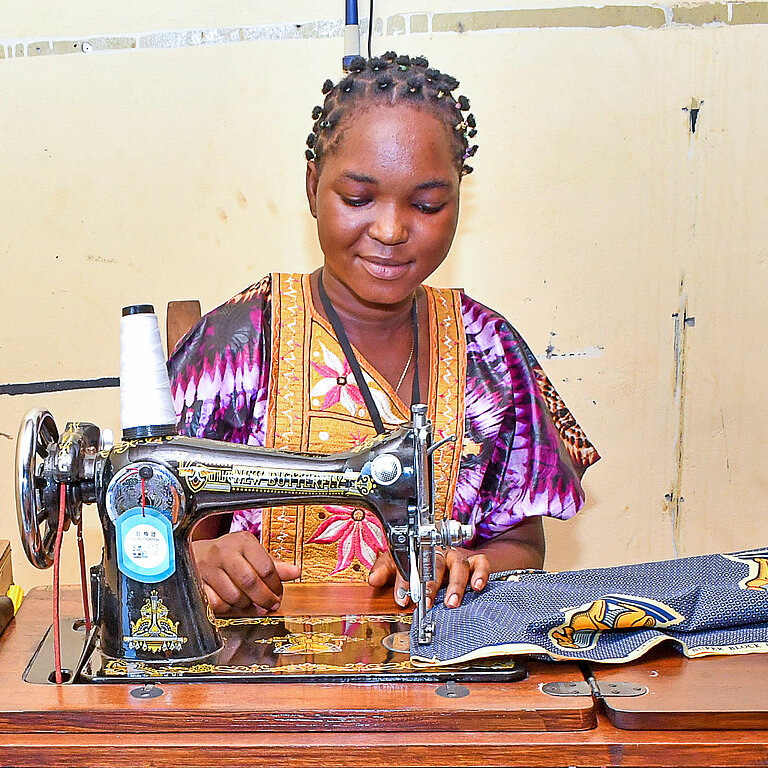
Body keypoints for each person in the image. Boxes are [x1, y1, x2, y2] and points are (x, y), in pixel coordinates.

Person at [168, 52, 599, 617]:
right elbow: (144, 532)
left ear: (457, 202)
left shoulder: (490, 352)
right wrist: (198, 559)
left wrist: (470, 564)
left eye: (426, 204)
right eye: (357, 199)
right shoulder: (236, 345)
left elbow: (521, 545)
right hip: (259, 683)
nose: (391, 229)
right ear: (312, 185)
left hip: (438, 673)